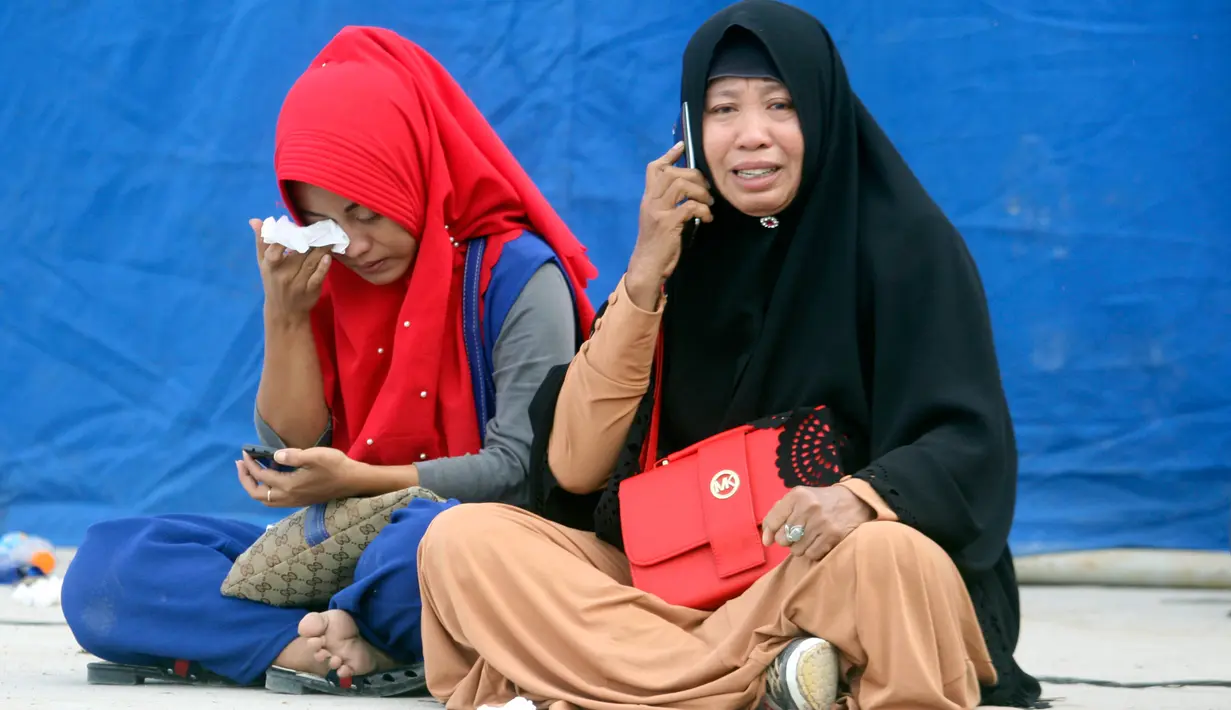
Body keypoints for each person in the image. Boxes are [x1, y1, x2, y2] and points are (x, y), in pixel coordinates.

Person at [413, 1, 1043, 709]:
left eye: (781, 106)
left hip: (815, 574)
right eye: (722, 110)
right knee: (463, 541)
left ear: (822, 112)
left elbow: (968, 444)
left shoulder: (905, 247)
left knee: (889, 560)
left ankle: (634, 683)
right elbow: (573, 466)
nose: (751, 136)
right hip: (677, 583)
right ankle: (771, 681)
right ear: (690, 127)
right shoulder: (682, 254)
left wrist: (861, 500)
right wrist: (645, 274)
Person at [60, 25, 597, 694]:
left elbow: (521, 472)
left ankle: (289, 637)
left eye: (367, 212)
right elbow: (294, 445)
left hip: (469, 549)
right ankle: (317, 647)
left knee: (420, 556)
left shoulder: (514, 277)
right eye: (327, 222)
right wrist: (283, 314)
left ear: (416, 170)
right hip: (348, 544)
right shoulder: (333, 270)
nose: (356, 245)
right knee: (108, 567)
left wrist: (356, 481)